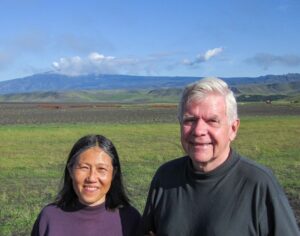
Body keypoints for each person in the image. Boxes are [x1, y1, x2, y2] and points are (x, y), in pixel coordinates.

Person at [140, 77, 299, 235]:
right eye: (190, 120)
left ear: (233, 129)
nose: (198, 130)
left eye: (212, 121)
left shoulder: (259, 184)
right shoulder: (165, 177)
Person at [32, 134, 141, 236]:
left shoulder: (130, 219)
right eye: (84, 168)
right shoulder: (49, 218)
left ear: (113, 173)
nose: (91, 178)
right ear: (70, 170)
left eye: (101, 169)